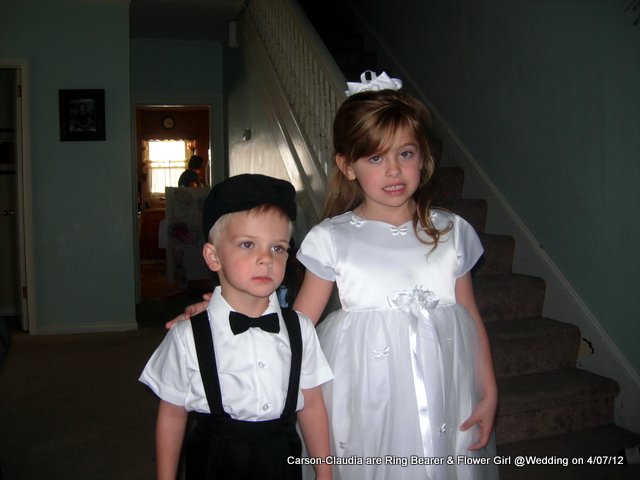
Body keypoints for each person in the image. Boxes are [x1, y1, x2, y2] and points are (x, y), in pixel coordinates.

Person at [172, 72, 499, 479]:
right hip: (367, 394)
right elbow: (298, 322)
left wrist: (488, 391)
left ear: (424, 157)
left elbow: (468, 314)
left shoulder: (450, 231)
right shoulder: (331, 237)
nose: (394, 171)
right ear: (347, 166)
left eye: (406, 154)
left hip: (445, 388)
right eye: (376, 158)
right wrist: (223, 311)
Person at [141, 174, 333, 480]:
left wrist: (324, 475)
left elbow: (311, 407)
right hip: (214, 460)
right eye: (247, 244)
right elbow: (173, 414)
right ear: (213, 256)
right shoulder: (187, 335)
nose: (265, 260)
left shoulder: (301, 330)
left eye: (278, 248)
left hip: (282, 461)